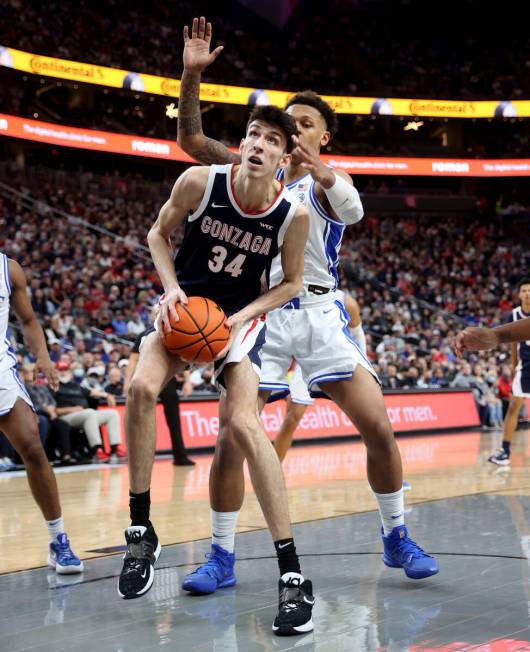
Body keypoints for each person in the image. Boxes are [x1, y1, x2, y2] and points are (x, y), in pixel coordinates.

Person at [177, 16, 438, 599]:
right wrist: (191, 76)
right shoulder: (255, 169)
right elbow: (191, 143)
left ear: (324, 139)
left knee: (379, 428)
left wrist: (323, 172)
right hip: (263, 316)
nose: (289, 133)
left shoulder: (325, 182)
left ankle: (396, 535)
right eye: (284, 124)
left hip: (320, 316)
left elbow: (352, 211)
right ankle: (221, 554)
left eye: (304, 126)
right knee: (227, 440)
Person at [119, 101, 314, 637]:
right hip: (185, 312)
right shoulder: (200, 182)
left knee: (248, 426)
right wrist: (172, 288)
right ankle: (141, 530)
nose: (259, 144)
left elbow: (291, 282)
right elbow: (158, 235)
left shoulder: (290, 214)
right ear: (242, 142)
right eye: (253, 135)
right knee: (139, 389)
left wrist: (242, 317)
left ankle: (292, 576)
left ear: (283, 157)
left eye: (272, 140)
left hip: (236, 323)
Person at [0, 253, 83, 573]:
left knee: (32, 445)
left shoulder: (9, 270)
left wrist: (44, 357)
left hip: (2, 372)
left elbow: (29, 320)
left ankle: (58, 539)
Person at [272, 290, 367, 461]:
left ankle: (389, 476)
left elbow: (357, 335)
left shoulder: (346, 302)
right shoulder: (292, 294)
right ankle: (273, 473)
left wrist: (364, 366)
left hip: (337, 357)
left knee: (367, 417)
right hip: (307, 358)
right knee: (292, 417)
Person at [124, 328, 195, 466]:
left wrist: (187, 381)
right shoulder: (143, 334)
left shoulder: (172, 330)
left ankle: (180, 456)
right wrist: (127, 381)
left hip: (168, 378)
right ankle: (137, 457)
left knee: (174, 419)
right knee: (140, 417)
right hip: (146, 378)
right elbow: (133, 360)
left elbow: (183, 357)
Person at [485, 279, 530, 465]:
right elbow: (513, 343)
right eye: (524, 290)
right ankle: (504, 451)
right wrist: (513, 365)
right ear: (519, 294)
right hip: (526, 365)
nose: (528, 293)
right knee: (513, 407)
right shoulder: (514, 314)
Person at [54, 362, 127, 463]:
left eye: (65, 370)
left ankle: (115, 448)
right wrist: (73, 409)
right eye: (60, 370)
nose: (63, 373)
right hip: (66, 416)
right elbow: (54, 410)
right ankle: (97, 449)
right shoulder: (53, 386)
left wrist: (107, 395)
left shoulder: (75, 385)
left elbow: (92, 392)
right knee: (90, 413)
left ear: (70, 372)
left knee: (112, 414)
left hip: (84, 414)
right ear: (55, 372)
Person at [20, 363, 76, 466]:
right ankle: (40, 456)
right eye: (29, 371)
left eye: (34, 371)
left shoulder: (42, 387)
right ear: (23, 374)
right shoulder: (22, 388)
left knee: (63, 425)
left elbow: (52, 402)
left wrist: (51, 410)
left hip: (50, 414)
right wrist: (46, 409)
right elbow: (29, 405)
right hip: (36, 414)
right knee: (44, 422)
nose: (32, 374)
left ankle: (66, 455)